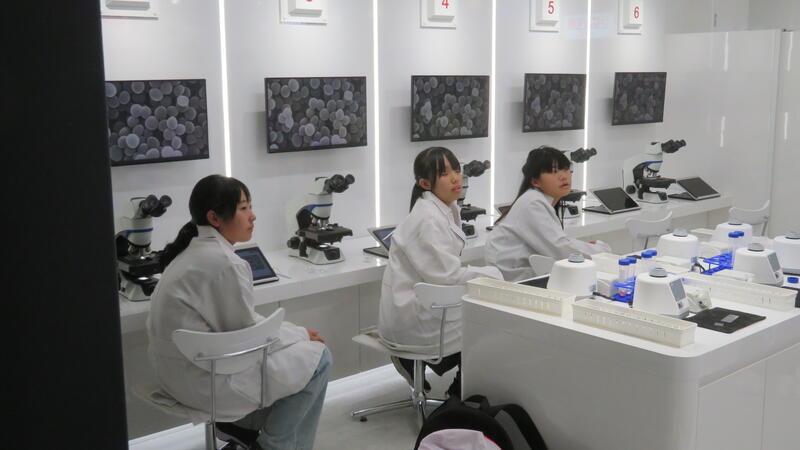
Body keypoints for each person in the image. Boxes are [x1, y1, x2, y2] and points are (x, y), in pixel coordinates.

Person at [147, 174, 330, 450]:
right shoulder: (224, 263)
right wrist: (301, 335)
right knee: (319, 359)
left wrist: (297, 334)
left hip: (178, 375)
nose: (252, 216)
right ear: (214, 218)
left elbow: (243, 326)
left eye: (250, 207)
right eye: (244, 208)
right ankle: (273, 445)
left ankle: (243, 427)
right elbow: (249, 336)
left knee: (297, 353)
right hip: (207, 381)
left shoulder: (190, 254)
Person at [378, 147, 503, 397]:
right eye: (445, 174)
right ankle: (458, 397)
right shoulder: (427, 219)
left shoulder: (440, 209)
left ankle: (459, 389)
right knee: (492, 328)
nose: (456, 178)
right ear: (425, 183)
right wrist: (492, 274)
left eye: (457, 170)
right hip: (416, 316)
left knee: (490, 316)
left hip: (426, 304)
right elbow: (447, 276)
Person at [485, 146, 611, 282]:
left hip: (524, 274)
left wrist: (587, 248)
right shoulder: (533, 203)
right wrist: (600, 251)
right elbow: (560, 248)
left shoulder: (537, 200)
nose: (564, 176)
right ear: (535, 181)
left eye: (566, 169)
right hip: (515, 280)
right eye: (553, 172)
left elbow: (558, 244)